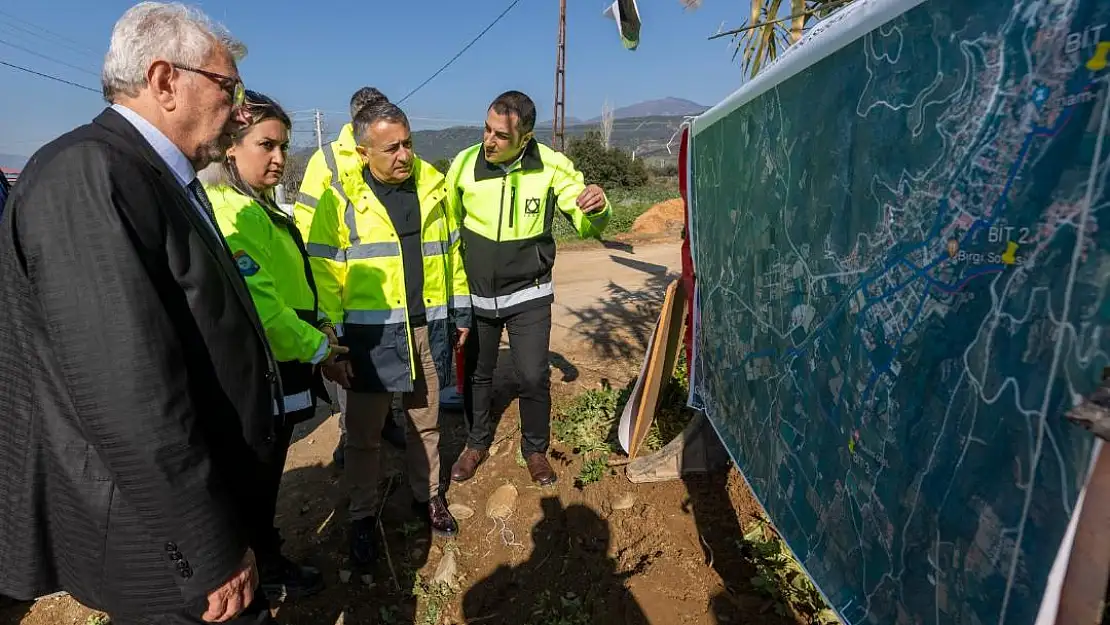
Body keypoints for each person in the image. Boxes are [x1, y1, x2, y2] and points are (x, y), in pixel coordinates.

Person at [0, 3, 280, 624]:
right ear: (163, 80)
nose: (239, 110)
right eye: (227, 87)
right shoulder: (88, 174)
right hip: (161, 539)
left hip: (190, 510)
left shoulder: (152, 174)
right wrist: (207, 548)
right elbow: (128, 391)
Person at [296, 100, 471, 572]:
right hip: (369, 338)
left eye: (408, 143)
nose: (403, 155)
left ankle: (427, 497)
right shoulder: (341, 200)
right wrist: (330, 337)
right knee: (364, 435)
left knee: (427, 422)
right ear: (362, 151)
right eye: (391, 147)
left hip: (425, 328)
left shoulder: (433, 189)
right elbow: (324, 273)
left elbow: (451, 255)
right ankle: (361, 517)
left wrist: (461, 314)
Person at [199, 90, 338, 601]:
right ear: (229, 148)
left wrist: (319, 325)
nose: (279, 158)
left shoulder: (252, 204)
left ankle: (265, 558)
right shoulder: (231, 213)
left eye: (284, 146)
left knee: (264, 477)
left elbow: (287, 283)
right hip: (265, 372)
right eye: (267, 145)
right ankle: (263, 570)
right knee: (254, 483)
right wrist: (320, 348)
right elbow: (262, 307)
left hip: (283, 364)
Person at [447, 91, 611, 486]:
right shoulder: (464, 165)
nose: (489, 140)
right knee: (476, 374)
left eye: (501, 135)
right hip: (477, 295)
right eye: (486, 129)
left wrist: (598, 207)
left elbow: (586, 221)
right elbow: (450, 231)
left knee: (534, 376)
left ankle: (535, 450)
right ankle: (475, 443)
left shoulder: (553, 166)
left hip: (529, 294)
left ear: (525, 138)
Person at [294, 86, 407, 469]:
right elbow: (309, 220)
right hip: (344, 277)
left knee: (387, 360)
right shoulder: (326, 160)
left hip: (385, 282)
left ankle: (388, 421)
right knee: (351, 365)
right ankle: (349, 434)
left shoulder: (394, 147)